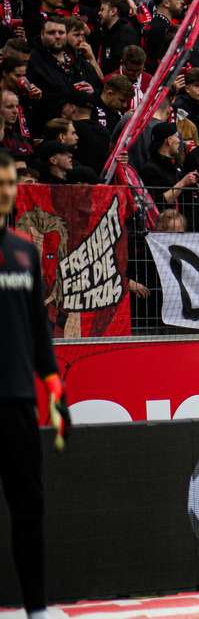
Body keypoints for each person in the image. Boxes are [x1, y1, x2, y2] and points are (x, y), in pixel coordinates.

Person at [0, 150, 60, 619]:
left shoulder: (24, 252)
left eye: (10, 183)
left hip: (19, 401)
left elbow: (39, 330)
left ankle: (36, 609)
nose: (6, 191)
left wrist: (53, 383)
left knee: (29, 507)